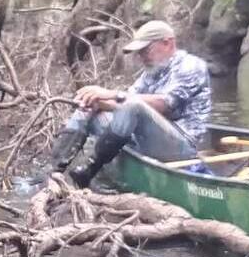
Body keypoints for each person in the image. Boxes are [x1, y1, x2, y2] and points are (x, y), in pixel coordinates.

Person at [49, 19, 211, 188]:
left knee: (132, 105)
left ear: (167, 43)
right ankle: (54, 172)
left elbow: (164, 104)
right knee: (90, 108)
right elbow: (126, 104)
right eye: (139, 53)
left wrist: (111, 93)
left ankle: (90, 169)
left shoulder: (191, 66)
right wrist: (98, 101)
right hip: (149, 139)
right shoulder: (151, 72)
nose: (141, 57)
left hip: (183, 146)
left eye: (145, 50)